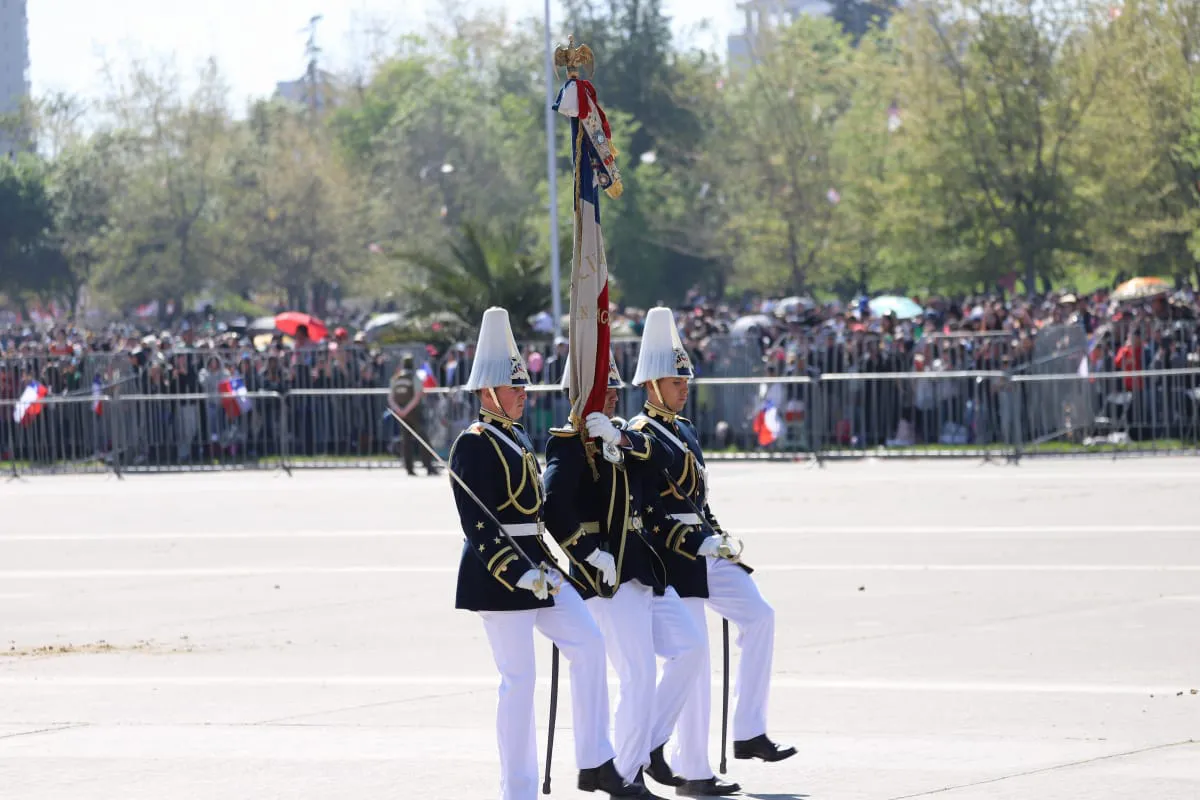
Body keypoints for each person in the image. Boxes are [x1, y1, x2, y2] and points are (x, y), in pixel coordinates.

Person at [448, 307, 646, 800]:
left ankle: (595, 760)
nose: (523, 396)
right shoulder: (472, 445)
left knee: (588, 642)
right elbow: (480, 528)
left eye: (524, 388)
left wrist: (560, 563)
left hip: (540, 568)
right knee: (519, 681)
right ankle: (518, 791)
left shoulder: (515, 437)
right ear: (488, 392)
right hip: (499, 577)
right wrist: (518, 573)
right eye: (515, 389)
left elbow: (538, 513)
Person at [628, 307, 796, 797]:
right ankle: (693, 769)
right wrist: (692, 541)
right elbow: (646, 509)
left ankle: (749, 731)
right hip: (670, 555)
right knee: (695, 660)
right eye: (677, 380)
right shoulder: (639, 433)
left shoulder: (684, 428)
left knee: (759, 614)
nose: (685, 387)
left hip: (704, 547)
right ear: (653, 384)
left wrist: (718, 538)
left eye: (685, 379)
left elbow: (697, 500)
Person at [541, 352, 705, 798]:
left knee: (689, 649)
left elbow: (668, 458)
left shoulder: (621, 434)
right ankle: (626, 776)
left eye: (615, 391)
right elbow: (553, 505)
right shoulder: (568, 443)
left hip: (642, 566)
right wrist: (588, 552)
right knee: (638, 674)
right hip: (606, 576)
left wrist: (621, 439)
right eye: (603, 391)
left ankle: (647, 745)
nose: (612, 398)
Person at [388, 354, 438, 476]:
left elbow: (390, 398)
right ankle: (428, 466)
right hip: (414, 412)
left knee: (406, 441)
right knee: (423, 439)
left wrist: (399, 410)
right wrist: (407, 410)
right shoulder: (414, 377)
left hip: (401, 413)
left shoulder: (395, 378)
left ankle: (409, 468)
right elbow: (417, 396)